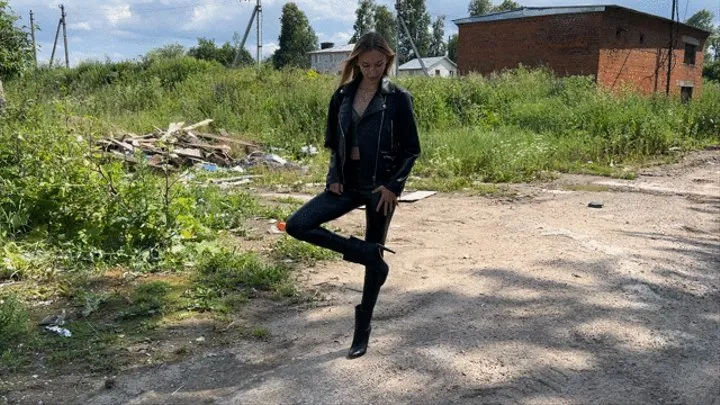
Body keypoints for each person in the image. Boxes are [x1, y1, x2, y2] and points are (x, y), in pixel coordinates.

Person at [285, 32, 421, 359]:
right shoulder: (343, 95)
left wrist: (394, 186)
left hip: (380, 187)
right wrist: (333, 176)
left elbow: (411, 150)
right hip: (346, 183)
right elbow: (334, 143)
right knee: (297, 224)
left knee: (372, 261)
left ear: (387, 61)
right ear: (356, 62)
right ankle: (366, 253)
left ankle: (362, 332)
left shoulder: (398, 98)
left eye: (379, 64)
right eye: (366, 64)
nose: (373, 70)